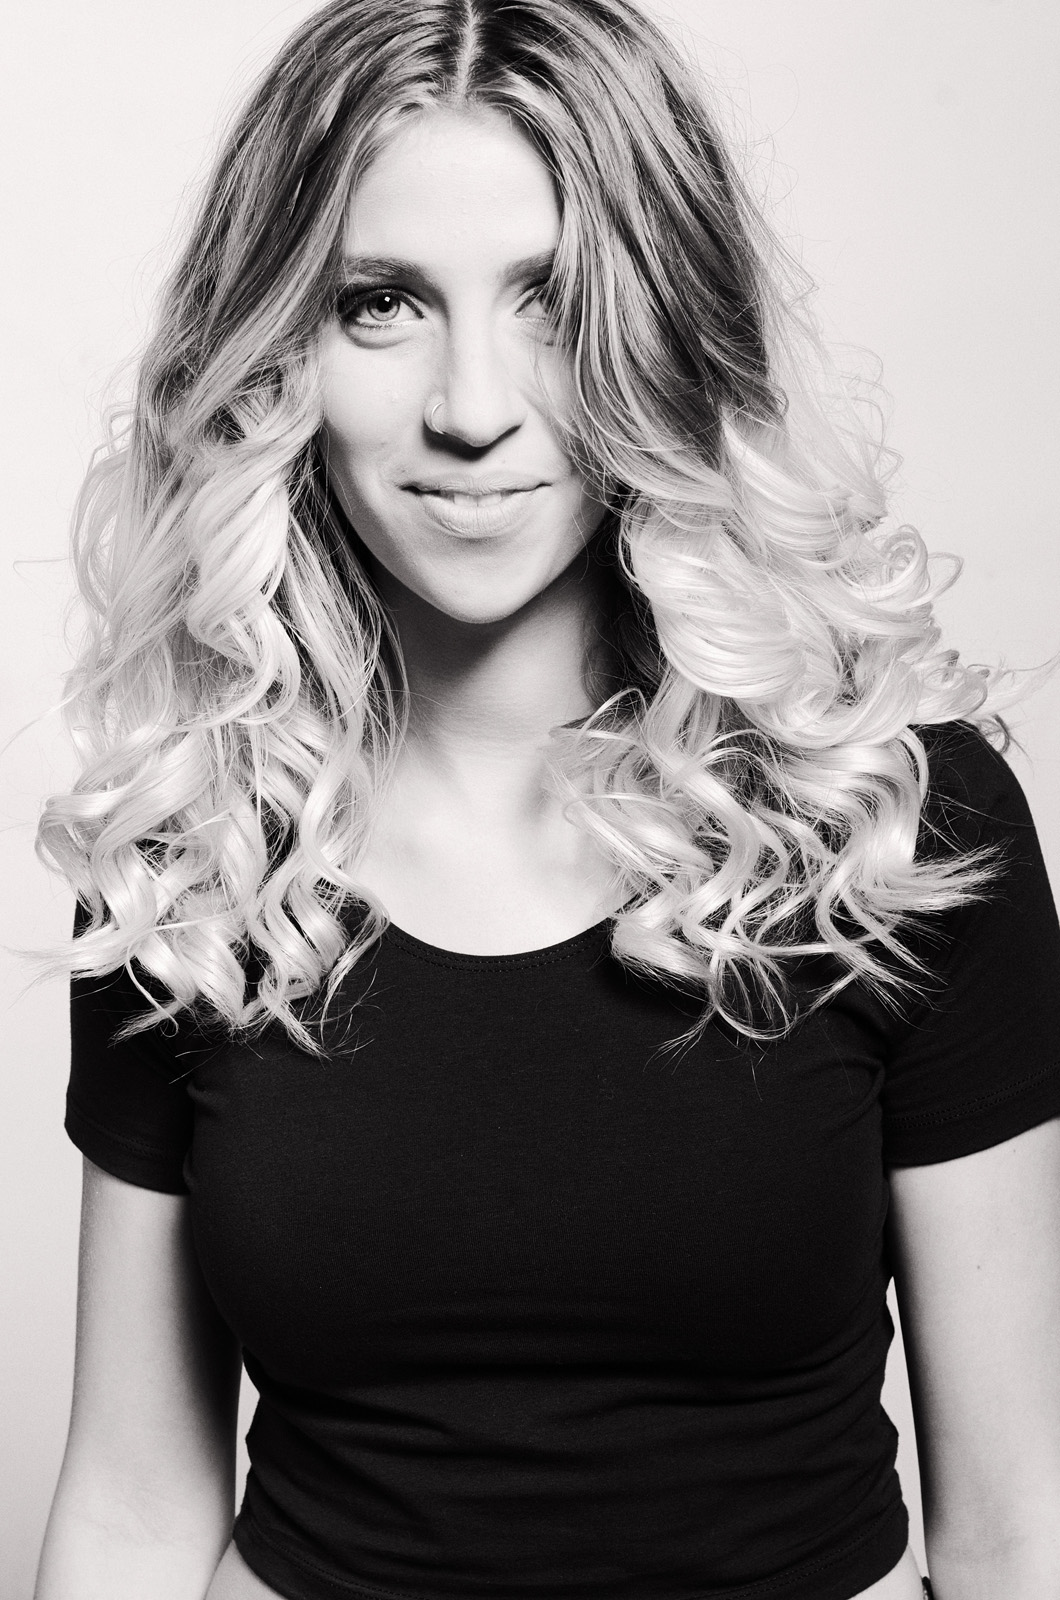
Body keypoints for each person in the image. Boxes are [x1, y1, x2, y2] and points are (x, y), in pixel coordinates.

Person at [31, 1, 1060, 1597]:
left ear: (665, 329)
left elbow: (1017, 1530)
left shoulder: (900, 824)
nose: (471, 405)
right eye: (379, 305)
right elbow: (131, 1507)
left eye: (554, 301)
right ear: (278, 348)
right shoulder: (203, 849)